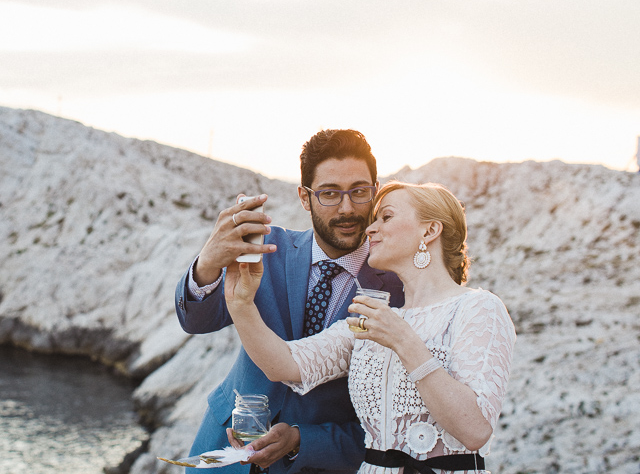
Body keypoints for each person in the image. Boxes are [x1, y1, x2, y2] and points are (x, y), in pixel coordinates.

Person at [224, 181, 516, 474]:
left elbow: (476, 431)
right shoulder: (375, 319)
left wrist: (403, 340)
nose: (370, 229)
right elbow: (285, 364)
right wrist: (241, 305)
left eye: (386, 217)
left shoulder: (478, 308)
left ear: (429, 231)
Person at [175, 129, 404, 473]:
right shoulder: (267, 251)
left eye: (359, 192)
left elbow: (387, 422)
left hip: (316, 463)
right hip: (222, 453)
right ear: (304, 197)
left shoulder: (398, 291)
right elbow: (196, 321)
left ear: (376, 190)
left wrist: (302, 439)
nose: (347, 208)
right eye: (329, 193)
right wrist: (207, 262)